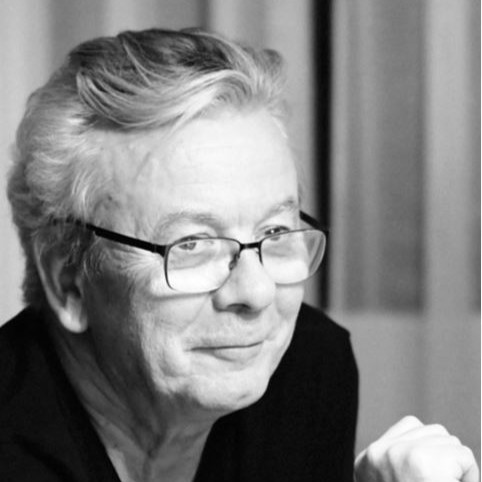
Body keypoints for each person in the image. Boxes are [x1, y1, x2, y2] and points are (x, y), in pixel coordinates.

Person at [0, 28, 478, 482]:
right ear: (68, 278)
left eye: (275, 231)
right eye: (192, 245)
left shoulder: (307, 372)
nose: (256, 293)